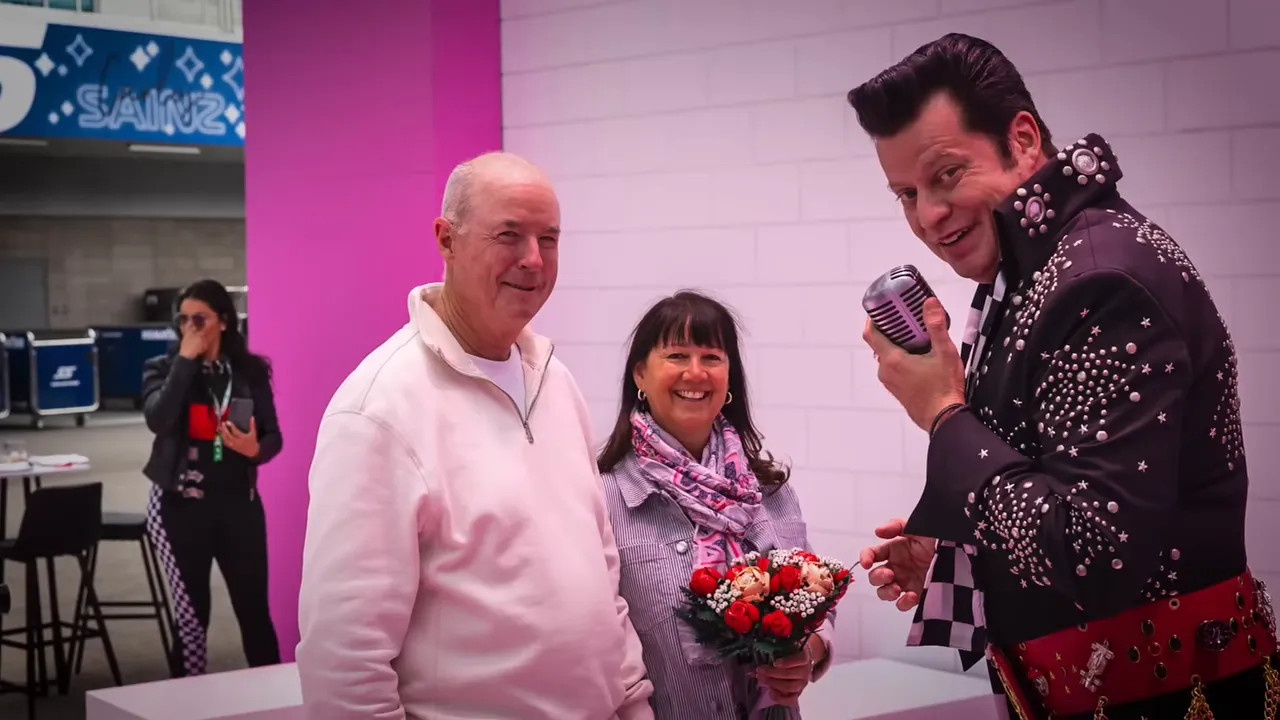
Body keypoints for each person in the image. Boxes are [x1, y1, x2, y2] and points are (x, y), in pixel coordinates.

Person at [848, 33, 1276, 719]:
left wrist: (943, 416)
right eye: (905, 193)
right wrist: (955, 540)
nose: (926, 216)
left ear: (1022, 142)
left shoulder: (1100, 281)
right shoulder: (1037, 273)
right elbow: (1056, 478)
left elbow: (1094, 553)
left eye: (947, 175)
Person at [295, 151, 654, 720]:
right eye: (509, 234)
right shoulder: (378, 410)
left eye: (550, 239)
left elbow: (601, 579)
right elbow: (345, 660)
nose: (533, 260)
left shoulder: (555, 382)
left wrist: (633, 702)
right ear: (446, 239)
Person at [597, 291, 836, 720]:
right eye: (676, 355)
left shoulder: (771, 490)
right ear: (640, 374)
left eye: (711, 356)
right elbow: (594, 645)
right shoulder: (603, 497)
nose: (695, 372)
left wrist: (808, 652)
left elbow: (814, 601)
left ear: (730, 377)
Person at [141, 278, 282, 678]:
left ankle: (276, 698)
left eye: (198, 320)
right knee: (191, 618)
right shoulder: (162, 368)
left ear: (222, 321)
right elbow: (158, 418)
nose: (189, 327)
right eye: (182, 319)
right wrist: (185, 360)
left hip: (239, 506)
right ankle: (185, 704)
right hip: (180, 507)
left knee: (254, 612)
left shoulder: (249, 371)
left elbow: (274, 437)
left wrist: (254, 449)